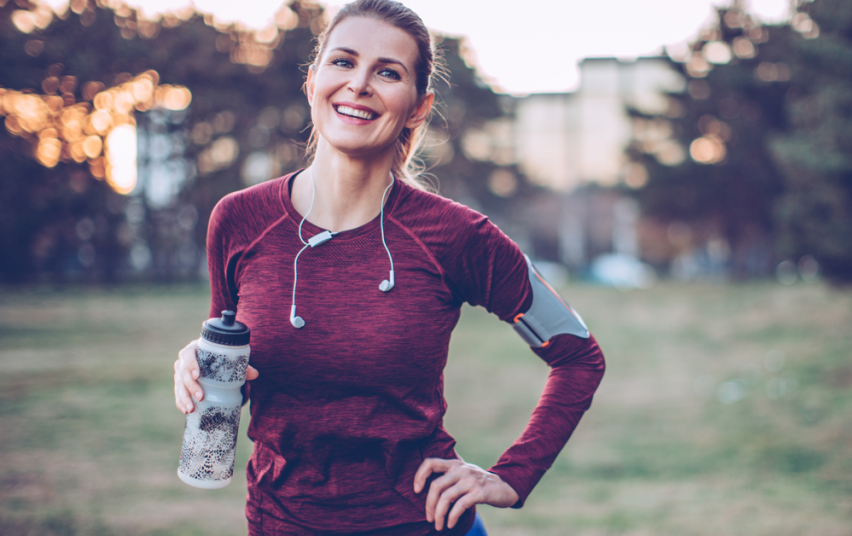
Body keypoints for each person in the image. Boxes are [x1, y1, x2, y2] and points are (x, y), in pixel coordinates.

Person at [172, 1, 605, 534]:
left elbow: (578, 356)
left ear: (418, 107)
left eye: (387, 72)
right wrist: (199, 366)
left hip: (421, 523)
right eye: (343, 62)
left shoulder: (455, 236)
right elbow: (236, 371)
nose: (359, 84)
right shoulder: (239, 220)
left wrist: (513, 475)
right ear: (312, 83)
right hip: (279, 522)